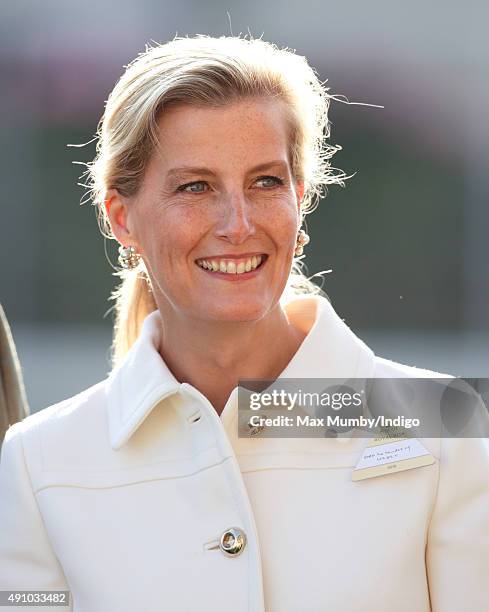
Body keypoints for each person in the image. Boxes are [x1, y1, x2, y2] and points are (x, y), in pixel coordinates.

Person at [0, 34, 488, 612]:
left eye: (266, 182)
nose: (238, 224)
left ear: (300, 198)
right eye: (195, 187)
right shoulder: (38, 462)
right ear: (121, 218)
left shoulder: (448, 423)